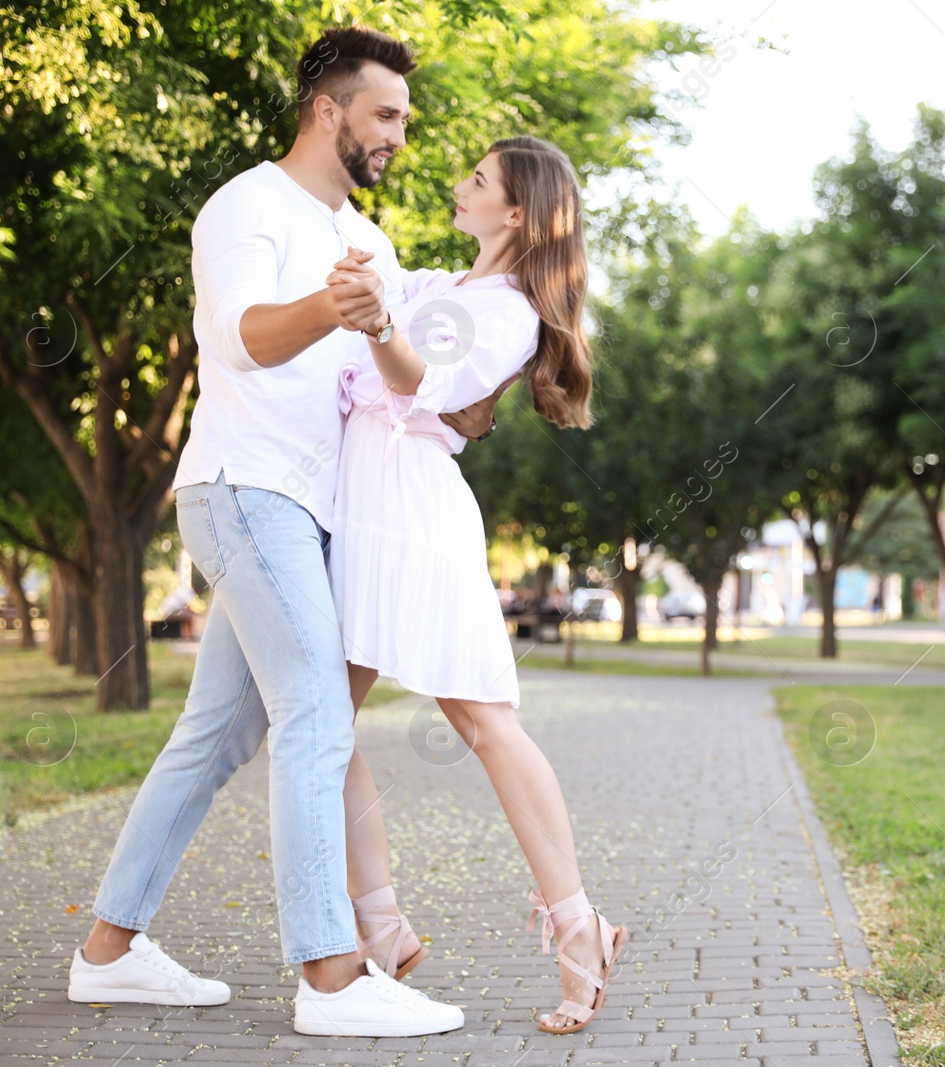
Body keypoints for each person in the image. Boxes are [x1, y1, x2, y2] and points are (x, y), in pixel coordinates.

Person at [67, 26, 509, 1039]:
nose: (398, 134)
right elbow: (238, 337)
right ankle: (331, 974)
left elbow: (384, 387)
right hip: (244, 489)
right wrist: (327, 303)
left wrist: (458, 410)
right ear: (329, 110)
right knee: (316, 710)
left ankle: (111, 949)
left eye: (403, 116)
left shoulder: (376, 244)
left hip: (313, 512)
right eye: (385, 114)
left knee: (215, 734)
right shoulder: (247, 205)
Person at [326, 135, 627, 1035]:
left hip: (411, 512)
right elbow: (373, 285)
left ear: (518, 213)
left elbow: (426, 382)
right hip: (366, 503)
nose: (459, 185)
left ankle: (580, 926)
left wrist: (378, 325)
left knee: (483, 721)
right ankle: (379, 924)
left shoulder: (503, 312)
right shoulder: (439, 287)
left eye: (478, 179)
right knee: (318, 720)